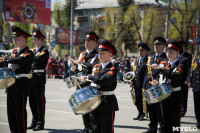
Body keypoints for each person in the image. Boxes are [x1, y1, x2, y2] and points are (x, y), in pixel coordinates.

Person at [79, 39, 119, 133]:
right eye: (99, 53)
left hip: (106, 102)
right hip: (95, 102)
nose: (100, 56)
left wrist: (89, 76)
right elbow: (93, 81)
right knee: (95, 128)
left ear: (110, 54)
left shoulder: (112, 69)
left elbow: (103, 80)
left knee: (106, 129)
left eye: (103, 53)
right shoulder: (96, 67)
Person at [0, 25, 34, 133]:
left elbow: (19, 60)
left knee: (20, 114)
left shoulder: (29, 52)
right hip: (10, 85)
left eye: (17, 38)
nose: (15, 41)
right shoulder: (14, 52)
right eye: (14, 38)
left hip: (20, 85)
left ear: (24, 39)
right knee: (11, 114)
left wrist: (7, 59)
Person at [150, 40, 187, 133]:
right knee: (165, 124)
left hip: (174, 96)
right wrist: (155, 82)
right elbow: (161, 78)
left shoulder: (181, 64)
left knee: (175, 125)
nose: (168, 54)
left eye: (171, 52)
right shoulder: (164, 64)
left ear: (177, 52)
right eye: (167, 51)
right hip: (164, 96)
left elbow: (173, 76)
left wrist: (160, 68)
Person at [71, 31, 99, 133]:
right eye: (85, 41)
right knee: (83, 107)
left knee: (91, 108)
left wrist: (82, 63)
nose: (86, 43)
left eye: (89, 41)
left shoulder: (97, 54)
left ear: (95, 43)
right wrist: (74, 68)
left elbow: (95, 66)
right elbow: (79, 69)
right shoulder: (82, 54)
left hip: (90, 84)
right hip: (81, 84)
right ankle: (86, 127)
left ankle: (92, 128)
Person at [143, 36, 167, 133]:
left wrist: (156, 81)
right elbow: (147, 73)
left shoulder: (165, 58)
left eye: (158, 45)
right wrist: (144, 86)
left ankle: (162, 127)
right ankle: (152, 127)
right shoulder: (151, 58)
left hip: (159, 86)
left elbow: (163, 71)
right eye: (155, 45)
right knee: (151, 108)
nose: (156, 46)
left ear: (163, 46)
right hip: (150, 86)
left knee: (160, 109)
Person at [27, 29, 49, 131]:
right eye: (33, 40)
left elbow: (36, 59)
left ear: (40, 40)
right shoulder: (33, 51)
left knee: (39, 102)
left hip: (39, 78)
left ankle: (40, 123)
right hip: (31, 78)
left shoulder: (44, 51)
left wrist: (29, 56)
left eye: (35, 39)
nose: (33, 41)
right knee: (32, 102)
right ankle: (34, 121)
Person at [131, 42, 150, 121]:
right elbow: (134, 72)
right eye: (139, 50)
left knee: (144, 100)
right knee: (137, 100)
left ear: (146, 51)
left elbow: (147, 73)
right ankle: (139, 112)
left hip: (143, 83)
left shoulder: (148, 60)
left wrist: (145, 85)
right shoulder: (136, 61)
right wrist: (131, 82)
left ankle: (144, 114)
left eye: (142, 50)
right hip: (136, 83)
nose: (140, 52)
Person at [178, 40, 192, 117]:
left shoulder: (188, 56)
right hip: (177, 79)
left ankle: (183, 111)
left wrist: (188, 79)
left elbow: (189, 69)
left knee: (183, 96)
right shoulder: (177, 55)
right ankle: (178, 110)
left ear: (184, 47)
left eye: (180, 47)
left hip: (184, 80)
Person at [188, 49, 200, 129]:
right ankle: (199, 121)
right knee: (197, 105)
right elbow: (191, 71)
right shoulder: (195, 59)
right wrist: (189, 80)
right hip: (196, 86)